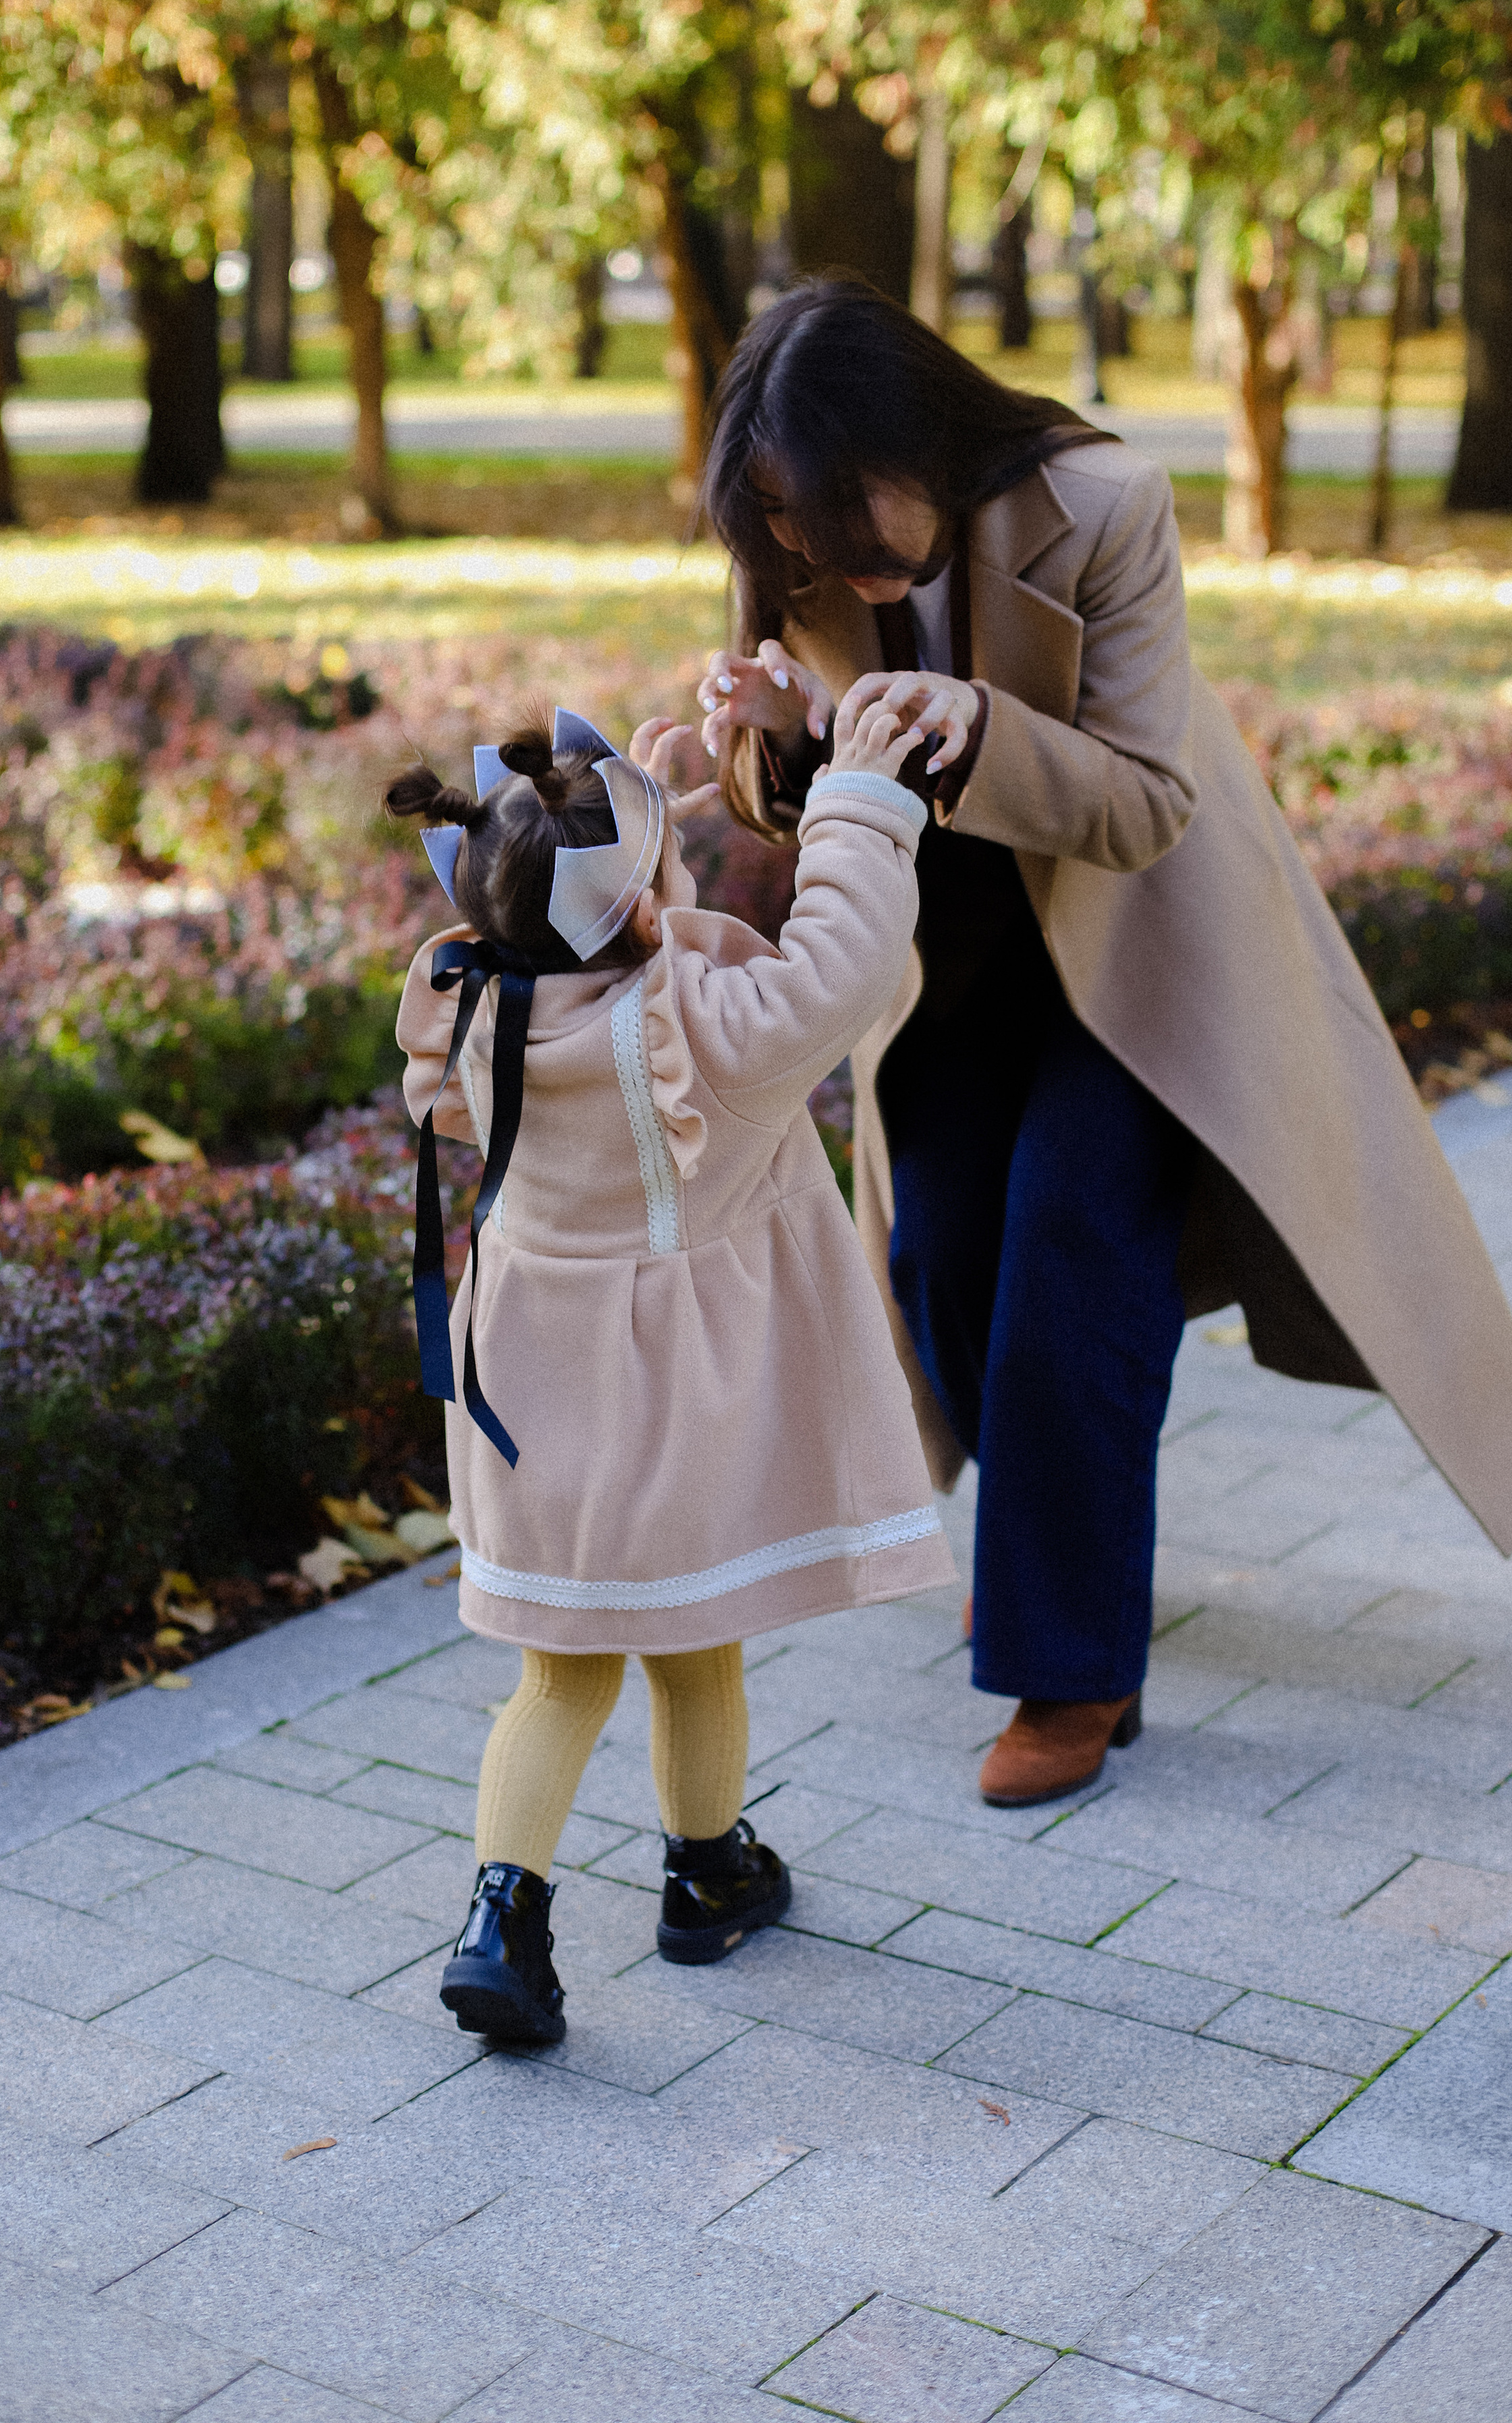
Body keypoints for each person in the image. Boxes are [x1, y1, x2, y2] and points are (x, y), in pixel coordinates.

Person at [698, 276, 1512, 1811]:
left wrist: (972, 724)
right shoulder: (791, 532)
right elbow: (797, 797)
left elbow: (1149, 803)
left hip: (1139, 956)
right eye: (777, 518)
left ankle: (1069, 1669)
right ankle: (1058, 1538)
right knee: (940, 1258)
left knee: (1070, 1260)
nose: (806, 548)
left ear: (916, 438)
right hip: (947, 959)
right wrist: (773, 735)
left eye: (827, 507)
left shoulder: (1099, 505)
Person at [390, 694, 952, 2045]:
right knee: (696, 1640)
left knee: (559, 1670)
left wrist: (644, 804)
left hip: (529, 1379)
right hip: (667, 1391)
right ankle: (705, 1873)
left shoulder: (471, 996)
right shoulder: (710, 1041)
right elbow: (844, 963)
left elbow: (571, 897)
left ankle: (500, 1920)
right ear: (647, 909)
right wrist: (860, 802)